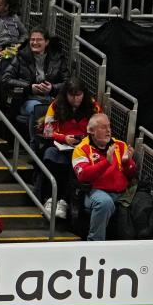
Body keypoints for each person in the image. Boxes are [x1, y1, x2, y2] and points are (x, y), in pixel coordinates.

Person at [36, 78, 102, 219]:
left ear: (84, 94)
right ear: (65, 94)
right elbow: (47, 131)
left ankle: (64, 202)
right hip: (59, 145)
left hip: (84, 148)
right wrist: (63, 138)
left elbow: (99, 130)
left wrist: (84, 141)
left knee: (76, 165)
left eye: (79, 95)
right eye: (71, 95)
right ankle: (50, 199)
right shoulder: (55, 105)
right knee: (49, 156)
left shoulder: (93, 106)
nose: (75, 99)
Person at [72, 113, 137, 241]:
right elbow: (83, 176)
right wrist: (106, 162)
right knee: (105, 202)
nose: (108, 131)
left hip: (122, 192)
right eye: (103, 127)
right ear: (91, 131)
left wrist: (127, 162)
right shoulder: (81, 149)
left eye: (109, 127)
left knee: (142, 202)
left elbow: (132, 173)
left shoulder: (121, 145)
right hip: (95, 192)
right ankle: (94, 243)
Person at [1, 27, 67, 139]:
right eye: (32, 39)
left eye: (39, 40)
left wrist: (52, 88)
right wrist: (29, 87)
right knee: (38, 109)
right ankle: (36, 144)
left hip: (52, 99)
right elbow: (6, 79)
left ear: (46, 42)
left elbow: (67, 83)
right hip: (28, 99)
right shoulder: (20, 57)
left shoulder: (58, 58)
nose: (35, 42)